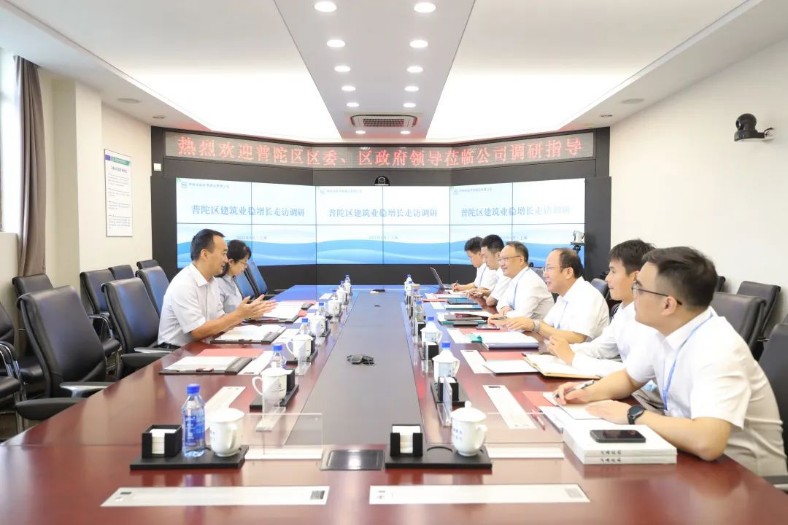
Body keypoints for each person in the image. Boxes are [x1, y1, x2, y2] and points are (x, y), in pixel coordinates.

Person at [555, 247, 786, 476]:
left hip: (748, 480)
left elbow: (708, 441)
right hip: (695, 461)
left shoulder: (718, 348)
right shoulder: (664, 331)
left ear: (668, 304)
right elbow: (629, 378)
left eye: (639, 288)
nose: (634, 295)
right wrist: (586, 392)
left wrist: (633, 415)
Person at [545, 239, 662, 409]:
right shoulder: (624, 308)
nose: (607, 278)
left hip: (648, 401)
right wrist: (565, 350)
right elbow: (602, 348)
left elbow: (633, 374)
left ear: (636, 277)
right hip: (633, 393)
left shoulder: (649, 318)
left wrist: (573, 357)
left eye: (613, 271)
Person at [158, 229, 276, 347]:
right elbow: (197, 332)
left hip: (203, 344)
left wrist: (247, 314)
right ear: (205, 254)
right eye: (223, 253)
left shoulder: (212, 281)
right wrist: (238, 315)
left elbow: (220, 319)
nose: (226, 260)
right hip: (177, 351)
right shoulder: (184, 284)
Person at [503, 248, 608, 343]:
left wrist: (534, 325)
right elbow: (546, 325)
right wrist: (526, 325)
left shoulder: (587, 296)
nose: (544, 274)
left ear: (568, 272)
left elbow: (577, 338)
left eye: (549, 268)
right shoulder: (563, 295)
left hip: (580, 356)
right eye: (545, 269)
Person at [491, 241, 553, 319]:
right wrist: (504, 307)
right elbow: (501, 303)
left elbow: (522, 316)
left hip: (535, 327)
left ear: (521, 260)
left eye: (506, 259)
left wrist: (504, 314)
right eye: (500, 259)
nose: (501, 264)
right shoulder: (514, 279)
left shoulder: (531, 282)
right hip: (516, 325)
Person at [216, 239, 252, 314]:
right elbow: (218, 317)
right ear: (231, 262)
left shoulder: (232, 279)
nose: (246, 267)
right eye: (244, 262)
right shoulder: (217, 284)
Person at [468, 234, 505, 302]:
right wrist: (483, 292)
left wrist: (484, 294)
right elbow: (495, 293)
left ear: (498, 255)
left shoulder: (505, 273)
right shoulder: (499, 272)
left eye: (486, 257)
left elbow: (490, 301)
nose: (484, 261)